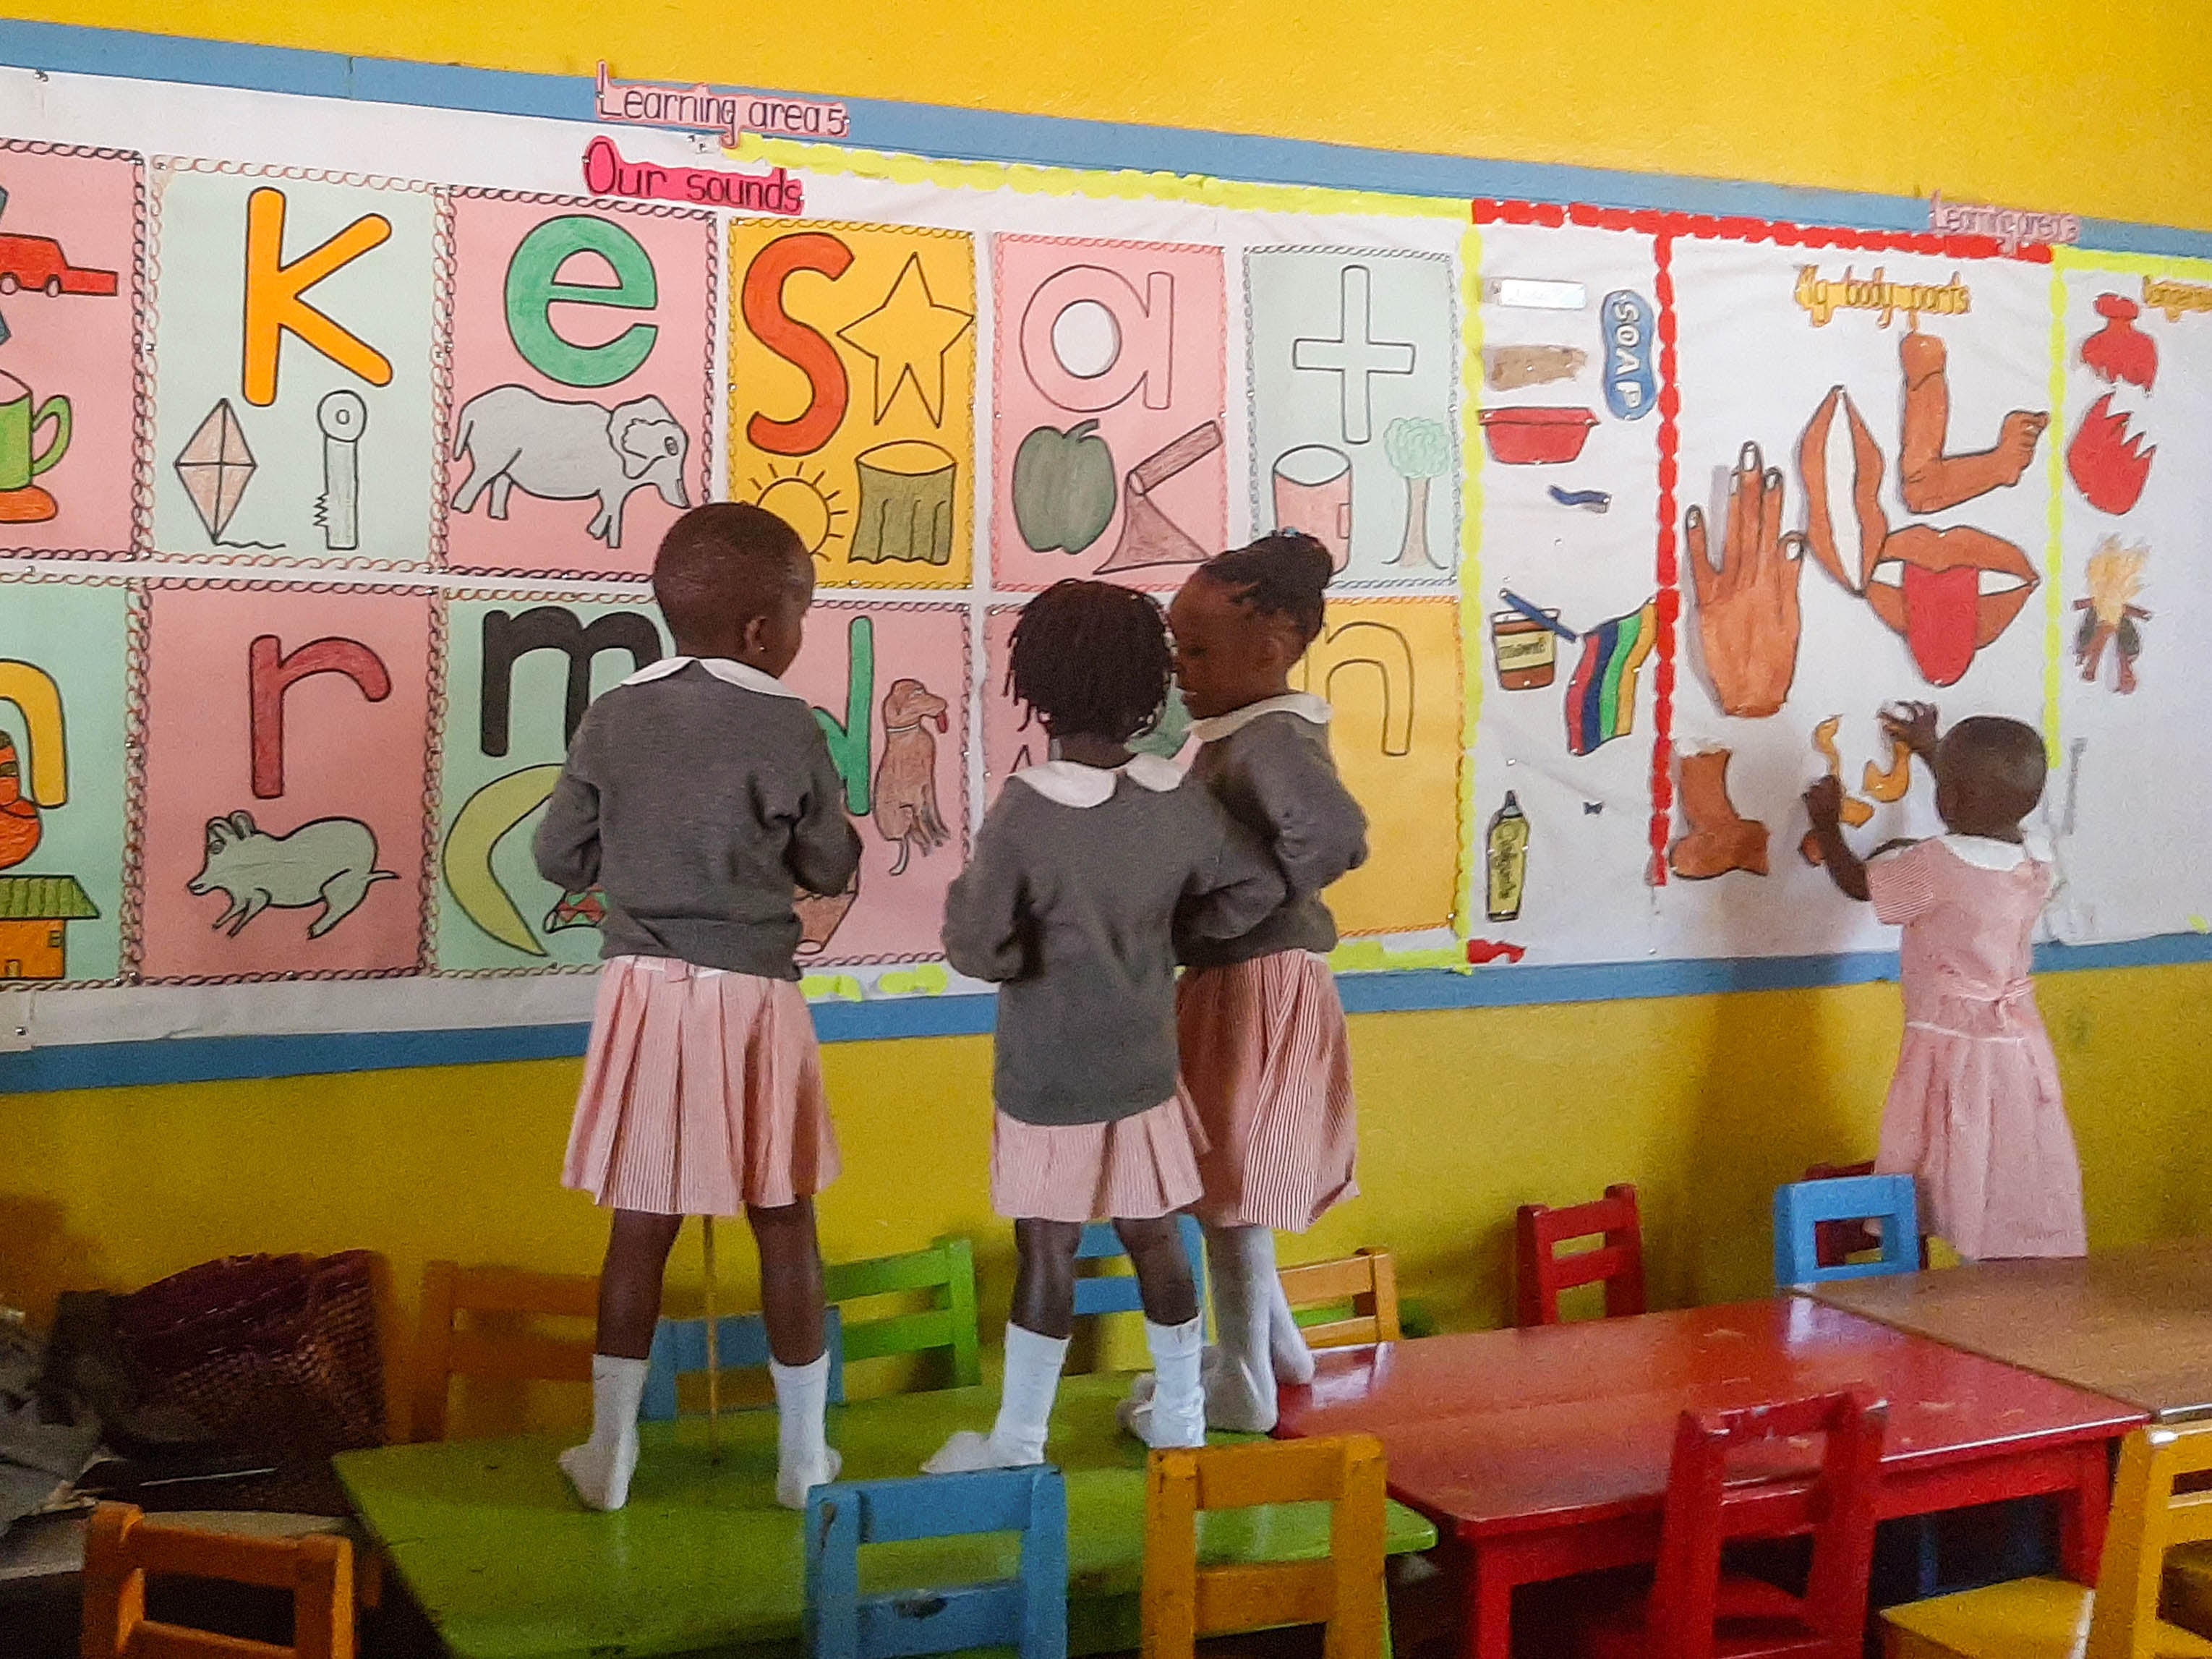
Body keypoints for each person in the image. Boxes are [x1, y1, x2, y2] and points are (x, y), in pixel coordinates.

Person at [533, 501, 861, 1511]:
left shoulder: (612, 714)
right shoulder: (783, 719)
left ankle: (609, 1452)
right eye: (800, 617)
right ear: (763, 631)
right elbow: (830, 857)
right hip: (755, 996)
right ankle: (803, 1458)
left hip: (644, 992)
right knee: (783, 1216)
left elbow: (557, 855)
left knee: (642, 1219)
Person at [925, 579, 1285, 1473]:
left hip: (1047, 1079)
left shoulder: (1025, 810)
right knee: (1157, 1235)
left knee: (1045, 1247)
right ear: (1152, 687)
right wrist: (1174, 937)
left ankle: (1017, 1437)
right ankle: (1182, 1414)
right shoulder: (1173, 797)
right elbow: (1257, 884)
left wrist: (1022, 959)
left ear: (1035, 688)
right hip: (1143, 1071)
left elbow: (975, 946)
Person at [1125, 531, 1368, 1438]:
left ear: (1270, 647)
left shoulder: (1266, 740)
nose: (1182, 669)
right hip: (1245, 981)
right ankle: (1276, 1352)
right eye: (1176, 649)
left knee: (1226, 1192)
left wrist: (1238, 909)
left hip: (1254, 984)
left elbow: (1334, 836)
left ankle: (1242, 1386)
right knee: (1224, 1174)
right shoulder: (1243, 733)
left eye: (1199, 650)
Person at [1803, 702, 2088, 1261]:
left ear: (1949, 799)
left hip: (1946, 1046)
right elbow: (1978, 816)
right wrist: (1935, 753)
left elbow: (1861, 885)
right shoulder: (2036, 858)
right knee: (2003, 1167)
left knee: (1936, 1158)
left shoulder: (1933, 865)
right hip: (2015, 1047)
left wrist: (1824, 824)